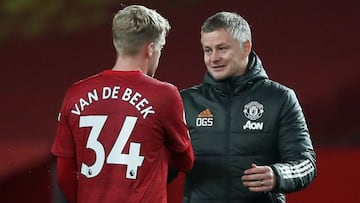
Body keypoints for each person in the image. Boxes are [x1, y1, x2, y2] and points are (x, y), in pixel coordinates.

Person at [51, 5, 194, 203]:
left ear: (117, 43)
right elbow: (185, 160)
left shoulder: (76, 93)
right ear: (150, 49)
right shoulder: (165, 94)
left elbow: (65, 173)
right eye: (160, 48)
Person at [168, 11, 316, 203]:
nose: (213, 58)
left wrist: (278, 174)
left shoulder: (280, 98)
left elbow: (306, 163)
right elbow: (165, 167)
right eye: (207, 50)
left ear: (245, 48)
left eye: (222, 49)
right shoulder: (186, 101)